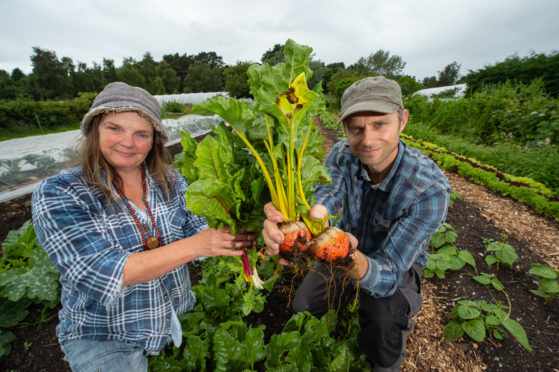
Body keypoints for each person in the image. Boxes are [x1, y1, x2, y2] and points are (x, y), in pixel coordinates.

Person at [31, 82, 256, 372]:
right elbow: (101, 272)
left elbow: (201, 227)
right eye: (115, 129)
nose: (128, 142)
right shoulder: (61, 192)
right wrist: (198, 245)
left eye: (141, 134)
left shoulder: (171, 182)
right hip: (106, 336)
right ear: (94, 130)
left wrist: (251, 233)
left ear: (153, 142)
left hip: (174, 317)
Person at [262, 76, 450, 371]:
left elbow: (388, 274)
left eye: (379, 125)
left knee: (383, 316)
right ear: (345, 128)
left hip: (393, 263)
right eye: (356, 129)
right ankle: (348, 295)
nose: (368, 140)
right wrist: (300, 226)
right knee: (302, 308)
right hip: (339, 246)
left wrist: (346, 257)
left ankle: (385, 362)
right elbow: (329, 195)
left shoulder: (429, 188)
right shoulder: (342, 154)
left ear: (402, 121)